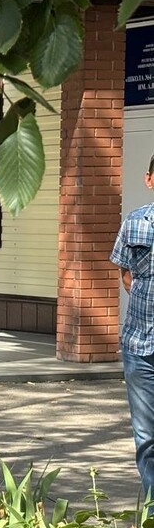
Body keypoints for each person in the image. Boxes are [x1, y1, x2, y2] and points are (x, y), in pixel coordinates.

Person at [112, 153, 154, 509]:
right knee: (147, 437)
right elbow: (125, 273)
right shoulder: (135, 222)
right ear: (149, 180)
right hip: (140, 346)